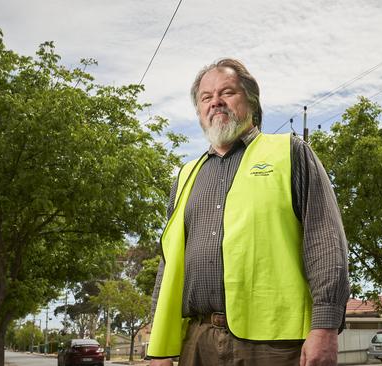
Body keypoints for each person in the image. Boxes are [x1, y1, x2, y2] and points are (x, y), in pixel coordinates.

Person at [148, 58, 349, 366]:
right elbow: (169, 264)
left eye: (227, 92)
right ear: (199, 111)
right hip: (197, 341)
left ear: (251, 101)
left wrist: (324, 326)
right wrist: (158, 347)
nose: (215, 102)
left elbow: (325, 241)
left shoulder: (290, 152)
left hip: (275, 345)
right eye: (206, 97)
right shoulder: (185, 176)